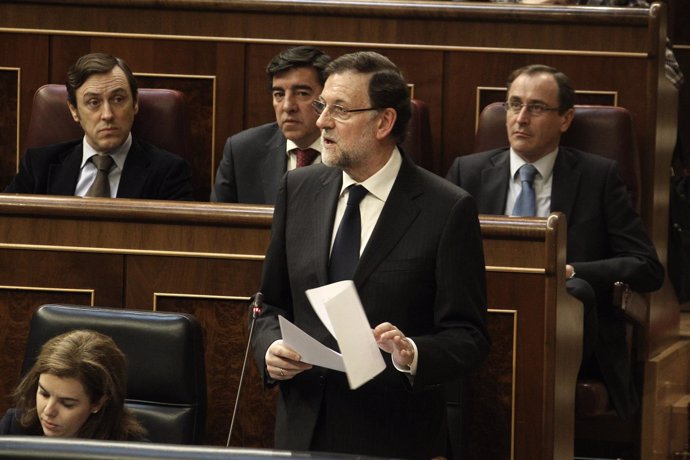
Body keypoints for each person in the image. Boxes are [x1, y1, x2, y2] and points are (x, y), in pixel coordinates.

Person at [251, 51, 489, 459]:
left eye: (339, 109)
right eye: (323, 105)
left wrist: (411, 352)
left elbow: (469, 337)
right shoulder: (298, 189)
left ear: (384, 121)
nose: (321, 121)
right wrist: (270, 350)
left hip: (393, 436)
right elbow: (269, 305)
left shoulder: (446, 208)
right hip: (304, 429)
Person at [445, 64, 664, 419]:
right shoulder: (467, 172)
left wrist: (571, 270)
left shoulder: (598, 177)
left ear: (565, 119)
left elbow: (647, 268)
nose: (520, 118)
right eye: (513, 105)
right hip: (484, 319)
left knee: (576, 290)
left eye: (536, 108)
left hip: (572, 337)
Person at [4, 52, 193, 200]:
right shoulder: (38, 165)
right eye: (93, 102)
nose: (108, 115)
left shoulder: (169, 172)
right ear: (74, 110)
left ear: (135, 103)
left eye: (118, 99)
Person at [211, 46, 331, 204]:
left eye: (302, 93)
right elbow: (218, 224)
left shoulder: (349, 152)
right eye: (279, 94)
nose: (288, 106)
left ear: (326, 99)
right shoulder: (242, 151)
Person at [0, 329, 146, 440]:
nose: (48, 411)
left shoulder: (130, 450)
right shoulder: (13, 428)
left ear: (97, 403)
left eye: (67, 403)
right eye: (44, 394)